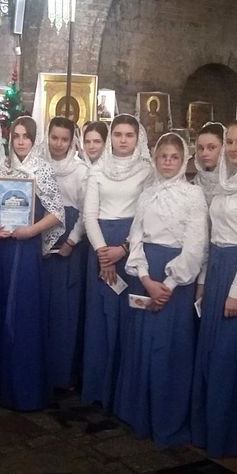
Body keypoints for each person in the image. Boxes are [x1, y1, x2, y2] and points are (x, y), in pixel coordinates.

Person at [119, 132, 208, 445]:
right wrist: (145, 278)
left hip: (176, 278)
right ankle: (140, 414)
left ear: (184, 160)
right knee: (143, 343)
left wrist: (167, 285)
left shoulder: (194, 195)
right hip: (147, 270)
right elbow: (136, 236)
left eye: (174, 157)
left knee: (169, 348)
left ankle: (166, 417)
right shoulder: (147, 194)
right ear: (155, 159)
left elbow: (196, 245)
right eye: (163, 157)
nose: (168, 162)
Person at [190, 119, 237, 458]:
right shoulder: (224, 184)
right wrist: (205, 281)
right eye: (231, 142)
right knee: (209, 351)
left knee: (228, 354)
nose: (235, 148)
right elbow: (212, 238)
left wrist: (236, 291)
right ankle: (207, 428)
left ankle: (229, 433)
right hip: (218, 266)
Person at [0, 116, 64, 410]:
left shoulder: (43, 170)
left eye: (26, 136)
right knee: (0, 307)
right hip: (2, 248)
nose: (21, 141)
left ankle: (24, 386)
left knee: (23, 312)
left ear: (34, 139)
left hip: (25, 249)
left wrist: (32, 231)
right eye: (16, 136)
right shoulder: (4, 169)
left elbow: (57, 213)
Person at [81, 114, 152, 409]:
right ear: (111, 137)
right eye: (118, 134)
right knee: (101, 318)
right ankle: (99, 388)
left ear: (138, 138)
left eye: (129, 135)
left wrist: (123, 248)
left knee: (128, 318)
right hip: (100, 244)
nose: (123, 140)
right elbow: (89, 215)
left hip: (132, 246)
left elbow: (146, 216)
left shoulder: (147, 171)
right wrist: (103, 254)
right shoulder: (98, 169)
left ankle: (124, 395)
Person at [36, 117, 88, 389]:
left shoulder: (80, 171)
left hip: (69, 246)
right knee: (41, 305)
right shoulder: (38, 164)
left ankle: (62, 373)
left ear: (72, 142)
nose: (58, 144)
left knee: (64, 309)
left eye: (64, 139)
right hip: (39, 239)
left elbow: (86, 211)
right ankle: (40, 369)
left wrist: (72, 241)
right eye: (54, 137)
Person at [192, 122, 225, 203]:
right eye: (201, 148)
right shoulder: (194, 184)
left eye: (212, 147)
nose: (204, 153)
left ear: (224, 148)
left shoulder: (234, 183)